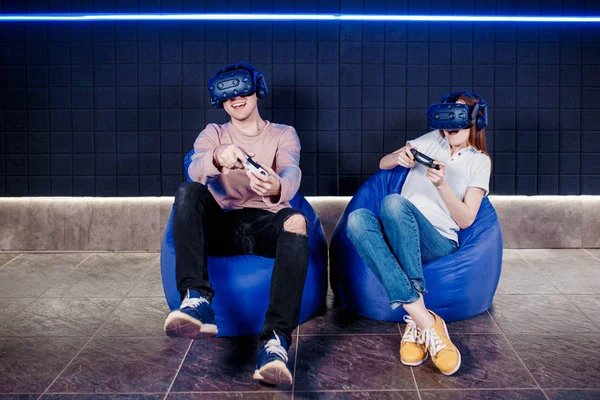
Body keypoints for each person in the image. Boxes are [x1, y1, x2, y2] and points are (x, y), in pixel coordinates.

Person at [163, 62, 307, 386]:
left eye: (241, 89)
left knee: (297, 223)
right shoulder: (213, 133)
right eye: (227, 93)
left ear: (257, 89)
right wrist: (218, 155)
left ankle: (275, 344)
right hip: (222, 224)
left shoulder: (283, 133)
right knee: (187, 192)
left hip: (265, 222)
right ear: (219, 99)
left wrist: (277, 186)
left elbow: (292, 170)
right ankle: (197, 301)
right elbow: (194, 171)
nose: (235, 98)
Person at [346, 92, 492, 376]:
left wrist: (442, 186)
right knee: (356, 221)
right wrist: (398, 158)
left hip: (437, 239)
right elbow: (383, 163)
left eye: (460, 115)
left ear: (475, 120)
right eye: (449, 114)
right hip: (398, 230)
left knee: (393, 202)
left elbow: (465, 220)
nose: (452, 124)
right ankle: (424, 322)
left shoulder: (479, 161)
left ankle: (417, 322)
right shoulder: (431, 140)